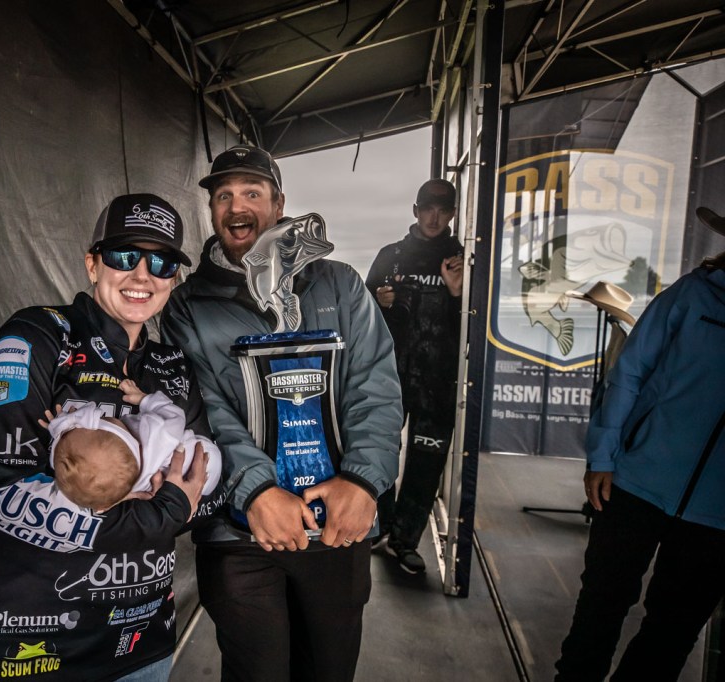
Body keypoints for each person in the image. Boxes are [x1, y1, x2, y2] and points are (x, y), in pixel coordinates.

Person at [0, 193, 223, 682]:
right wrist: (161, 508)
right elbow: (4, 494)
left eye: (162, 263)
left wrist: (148, 504)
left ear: (173, 280)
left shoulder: (174, 366)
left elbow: (207, 488)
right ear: (92, 264)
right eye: (124, 256)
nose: (142, 275)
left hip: (143, 644)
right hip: (26, 645)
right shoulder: (36, 336)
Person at [161, 144, 403, 681]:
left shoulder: (339, 283)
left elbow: (375, 387)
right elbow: (202, 409)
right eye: (223, 196)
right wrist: (256, 491)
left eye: (252, 192)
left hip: (337, 522)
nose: (236, 206)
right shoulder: (187, 304)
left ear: (278, 204)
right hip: (238, 533)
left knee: (328, 671)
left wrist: (363, 482)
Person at [553, 225, 725, 681]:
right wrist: (603, 456)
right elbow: (629, 372)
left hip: (716, 516)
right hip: (634, 482)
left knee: (670, 636)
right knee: (599, 611)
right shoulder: (693, 293)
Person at [363, 178, 464, 574]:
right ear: (416, 210)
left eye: (443, 210)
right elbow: (361, 319)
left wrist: (457, 294)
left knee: (426, 465)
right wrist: (380, 302)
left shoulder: (463, 260)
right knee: (380, 454)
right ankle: (380, 526)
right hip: (389, 379)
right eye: (428, 209)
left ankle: (405, 541)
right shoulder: (391, 256)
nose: (434, 218)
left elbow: (475, 328)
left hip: (439, 384)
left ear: (452, 213)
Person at [41, 380, 222, 511]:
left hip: (195, 491)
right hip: (205, 456)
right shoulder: (157, 433)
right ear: (115, 429)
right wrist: (144, 399)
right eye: (103, 420)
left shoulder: (124, 484)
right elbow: (175, 414)